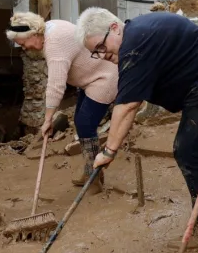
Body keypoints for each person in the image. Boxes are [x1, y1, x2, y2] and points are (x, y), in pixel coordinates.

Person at [77, 9, 198, 248]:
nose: (101, 55)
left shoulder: (135, 43)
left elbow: (128, 105)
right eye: (95, 53)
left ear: (114, 28)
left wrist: (109, 151)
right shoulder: (138, 35)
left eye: (101, 47)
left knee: (188, 149)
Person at [7, 12, 118, 193]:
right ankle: (92, 170)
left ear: (33, 34)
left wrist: (48, 119)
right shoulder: (50, 28)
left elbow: (56, 85)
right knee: (81, 121)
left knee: (85, 124)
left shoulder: (55, 43)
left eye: (23, 44)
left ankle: (94, 178)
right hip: (90, 78)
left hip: (104, 77)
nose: (24, 48)